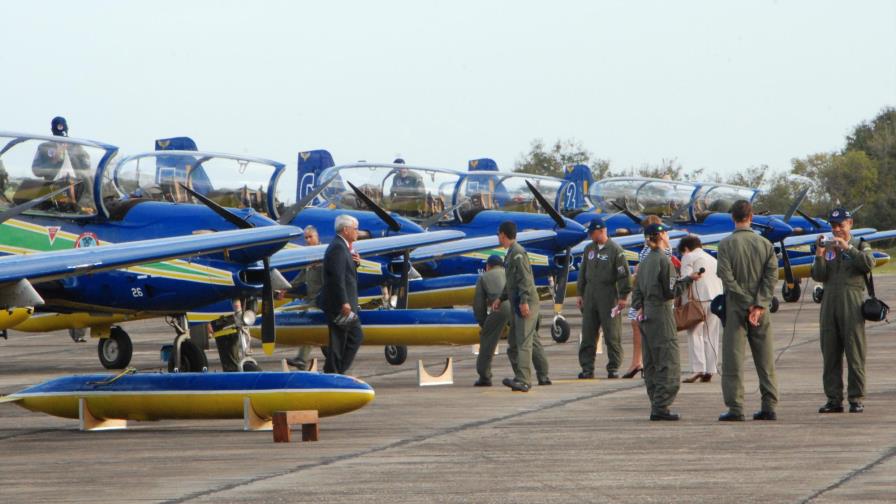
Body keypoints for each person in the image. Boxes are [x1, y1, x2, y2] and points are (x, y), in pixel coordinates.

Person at [716, 200, 779, 422]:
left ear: (733, 218)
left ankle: (735, 407)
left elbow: (726, 276)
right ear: (751, 217)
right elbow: (771, 277)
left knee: (733, 358)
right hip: (761, 309)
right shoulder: (765, 244)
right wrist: (759, 304)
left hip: (735, 306)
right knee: (765, 358)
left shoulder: (725, 245)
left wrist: (744, 302)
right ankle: (769, 405)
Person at [631, 223, 700, 421]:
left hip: (645, 314)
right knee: (668, 361)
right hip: (661, 312)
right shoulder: (664, 261)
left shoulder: (644, 262)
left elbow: (636, 291)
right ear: (661, 236)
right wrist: (688, 280)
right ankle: (661, 406)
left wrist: (640, 307)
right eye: (666, 233)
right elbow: (671, 291)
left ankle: (655, 402)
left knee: (651, 361)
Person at [811, 207, 875, 414]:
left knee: (854, 351)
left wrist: (848, 248)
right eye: (833, 226)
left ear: (850, 224)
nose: (837, 229)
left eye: (841, 225)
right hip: (829, 301)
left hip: (852, 301)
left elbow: (868, 264)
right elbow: (819, 275)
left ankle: (856, 398)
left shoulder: (860, 244)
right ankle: (833, 399)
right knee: (830, 352)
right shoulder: (829, 248)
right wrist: (819, 254)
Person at [492, 220, 550, 391]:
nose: (498, 237)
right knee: (519, 343)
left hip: (525, 303)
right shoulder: (510, 253)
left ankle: (524, 380)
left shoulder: (517, 254)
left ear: (503, 235)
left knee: (523, 342)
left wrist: (524, 302)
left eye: (498, 235)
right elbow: (511, 281)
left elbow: (525, 280)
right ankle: (539, 375)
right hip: (518, 302)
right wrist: (500, 298)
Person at [576, 217, 631, 379]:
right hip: (590, 295)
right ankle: (587, 368)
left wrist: (623, 296)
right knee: (588, 333)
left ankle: (613, 367)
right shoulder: (589, 249)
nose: (591, 236)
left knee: (612, 333)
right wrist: (580, 293)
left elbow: (623, 275)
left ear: (601, 231)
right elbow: (582, 273)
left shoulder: (615, 250)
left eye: (593, 232)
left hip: (609, 296)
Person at [317, 214, 365, 374]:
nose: (358, 232)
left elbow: (343, 272)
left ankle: (334, 371)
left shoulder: (342, 246)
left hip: (341, 303)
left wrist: (354, 263)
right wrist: (344, 301)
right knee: (349, 337)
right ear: (346, 230)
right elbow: (336, 277)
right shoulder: (338, 247)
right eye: (355, 229)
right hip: (339, 304)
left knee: (345, 338)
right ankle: (335, 373)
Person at [623, 214, 667, 378]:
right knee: (636, 325)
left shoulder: (657, 249)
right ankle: (638, 361)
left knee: (645, 327)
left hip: (648, 294)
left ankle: (644, 363)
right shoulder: (649, 248)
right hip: (642, 291)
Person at [678, 234, 724, 383]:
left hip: (697, 300)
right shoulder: (713, 259)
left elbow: (686, 279)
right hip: (715, 299)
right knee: (711, 335)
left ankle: (698, 368)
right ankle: (711, 368)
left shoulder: (688, 257)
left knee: (695, 334)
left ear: (685, 248)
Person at [286, 225, 324, 370]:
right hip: (309, 298)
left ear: (317, 237)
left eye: (310, 237)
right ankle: (301, 359)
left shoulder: (323, 253)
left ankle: (301, 359)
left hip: (320, 300)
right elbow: (301, 276)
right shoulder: (309, 255)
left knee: (309, 326)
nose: (308, 240)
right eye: (306, 238)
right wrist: (286, 288)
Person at [472, 254, 511, 386]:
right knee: (527, 340)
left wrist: (484, 323)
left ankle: (484, 376)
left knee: (487, 340)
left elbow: (479, 304)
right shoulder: (509, 273)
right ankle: (542, 374)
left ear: (488, 266)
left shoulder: (484, 277)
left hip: (501, 306)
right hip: (520, 305)